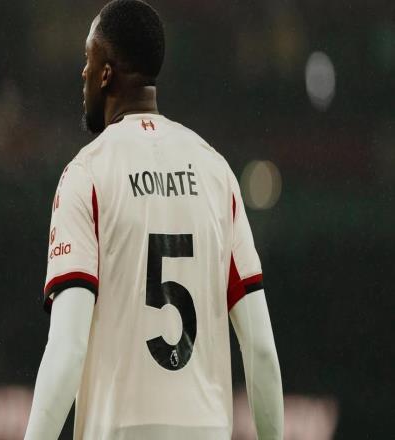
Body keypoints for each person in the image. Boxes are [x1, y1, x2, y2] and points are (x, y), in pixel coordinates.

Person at [24, 1, 283, 439]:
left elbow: (67, 349)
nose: (83, 72)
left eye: (88, 59)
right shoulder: (216, 172)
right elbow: (260, 349)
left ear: (106, 73)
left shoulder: (87, 174)